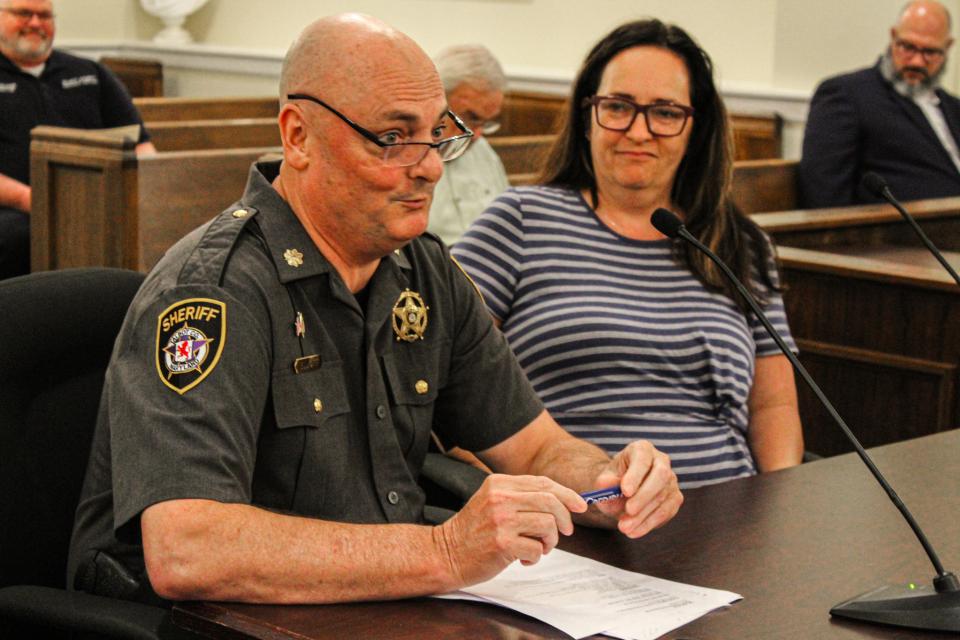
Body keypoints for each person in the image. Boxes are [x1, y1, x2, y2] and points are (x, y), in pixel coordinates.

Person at [67, 13, 682, 606]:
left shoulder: (423, 271)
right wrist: (445, 551)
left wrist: (608, 483)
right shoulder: (215, 291)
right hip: (216, 623)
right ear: (298, 137)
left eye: (437, 133)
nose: (431, 166)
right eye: (393, 139)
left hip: (380, 605)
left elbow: (536, 448)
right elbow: (188, 548)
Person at [453, 19, 804, 489]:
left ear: (695, 128)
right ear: (587, 117)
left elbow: (773, 406)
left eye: (665, 113)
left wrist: (782, 501)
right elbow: (445, 373)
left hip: (730, 513)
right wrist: (496, 491)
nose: (639, 132)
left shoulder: (738, 243)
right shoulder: (520, 220)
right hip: (575, 515)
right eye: (618, 107)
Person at [0, 0, 155, 280]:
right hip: (16, 208)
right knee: (17, 237)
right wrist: (34, 200)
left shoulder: (89, 72)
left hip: (101, 202)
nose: (35, 23)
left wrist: (144, 194)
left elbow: (140, 143)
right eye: (24, 13)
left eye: (44, 15)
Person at [800, 0, 960, 208]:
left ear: (948, 47)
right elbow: (824, 194)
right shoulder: (847, 95)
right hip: (906, 226)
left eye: (930, 52)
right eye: (908, 47)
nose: (916, 62)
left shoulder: (952, 108)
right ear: (893, 37)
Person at [427, 44, 510, 245]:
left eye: (486, 123)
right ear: (435, 98)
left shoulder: (482, 151)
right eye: (471, 118)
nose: (477, 135)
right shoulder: (403, 157)